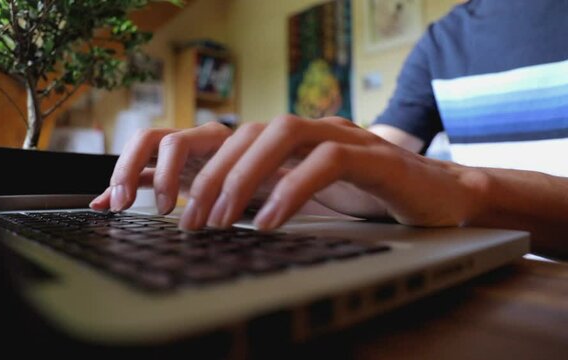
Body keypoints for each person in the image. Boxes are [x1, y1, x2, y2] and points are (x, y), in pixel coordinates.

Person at [91, 0, 568, 258]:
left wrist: (469, 187)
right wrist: (267, 185)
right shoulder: (443, 39)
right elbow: (376, 176)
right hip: (499, 283)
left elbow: (442, 186)